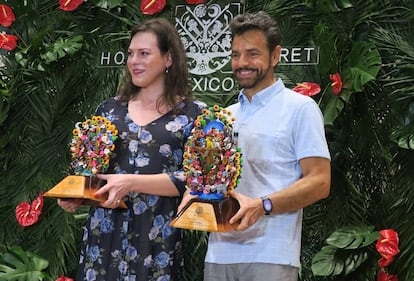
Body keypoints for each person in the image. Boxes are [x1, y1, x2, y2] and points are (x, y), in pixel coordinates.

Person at [179, 11, 331, 281]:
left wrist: (264, 205)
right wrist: (194, 196)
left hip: (271, 255)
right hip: (218, 255)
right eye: (236, 54)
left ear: (275, 55)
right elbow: (210, 182)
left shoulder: (300, 109)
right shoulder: (225, 116)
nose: (242, 63)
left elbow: (320, 181)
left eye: (252, 54)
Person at [58, 18, 205, 281]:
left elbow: (195, 181)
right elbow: (93, 172)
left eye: (144, 54)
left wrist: (130, 183)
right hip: (102, 241)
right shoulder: (108, 110)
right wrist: (78, 194)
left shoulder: (193, 115)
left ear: (168, 59)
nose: (134, 60)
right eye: (131, 54)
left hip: (157, 242)